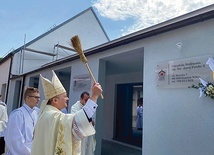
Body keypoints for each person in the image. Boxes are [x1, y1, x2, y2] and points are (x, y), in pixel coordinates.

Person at [31, 70, 102, 155]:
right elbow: (78, 122)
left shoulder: (45, 114)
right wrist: (94, 96)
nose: (67, 98)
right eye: (65, 96)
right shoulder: (52, 116)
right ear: (55, 100)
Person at [5, 87, 40, 155]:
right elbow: (14, 139)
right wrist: (29, 152)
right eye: (35, 97)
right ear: (27, 98)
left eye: (39, 97)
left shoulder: (37, 112)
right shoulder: (17, 114)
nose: (38, 100)